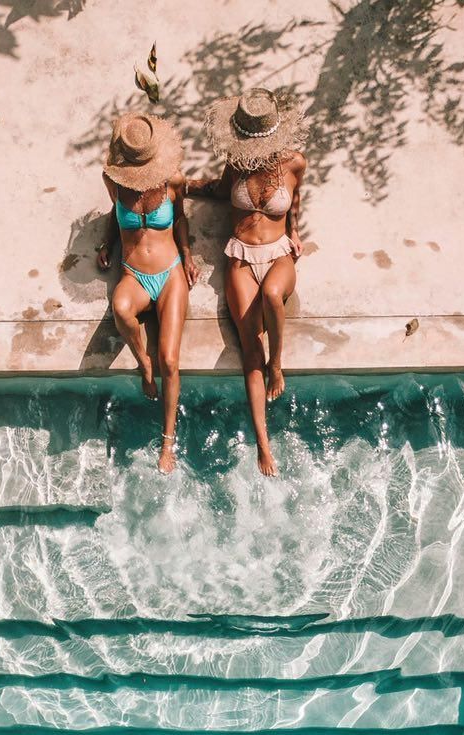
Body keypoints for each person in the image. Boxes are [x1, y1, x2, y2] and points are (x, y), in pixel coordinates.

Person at [190, 88, 306, 476]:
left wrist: (294, 230)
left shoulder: (294, 164)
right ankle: (263, 445)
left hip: (278, 254)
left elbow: (297, 199)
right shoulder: (236, 164)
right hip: (240, 254)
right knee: (247, 350)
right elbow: (221, 192)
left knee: (273, 294)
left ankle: (278, 364)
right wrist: (185, 186)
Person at [97, 113, 198, 473]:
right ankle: (144, 364)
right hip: (135, 274)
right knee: (120, 307)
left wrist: (187, 256)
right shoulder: (113, 181)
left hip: (170, 274)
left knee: (172, 360)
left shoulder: (173, 182)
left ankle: (168, 443)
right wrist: (107, 242)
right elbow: (116, 212)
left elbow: (181, 218)